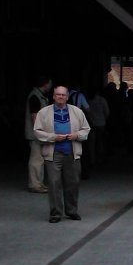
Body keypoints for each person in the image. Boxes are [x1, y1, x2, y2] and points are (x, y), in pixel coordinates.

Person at [33, 85, 90, 223]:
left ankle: (71, 211)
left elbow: (86, 129)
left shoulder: (77, 111)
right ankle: (56, 213)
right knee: (54, 183)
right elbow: (37, 131)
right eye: (58, 94)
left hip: (72, 152)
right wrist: (52, 137)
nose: (60, 97)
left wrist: (76, 135)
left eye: (63, 95)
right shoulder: (43, 112)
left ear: (67, 97)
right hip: (53, 153)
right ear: (53, 96)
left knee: (73, 182)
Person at [25, 76, 52, 192]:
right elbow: (34, 116)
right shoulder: (35, 97)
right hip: (36, 134)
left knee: (40, 159)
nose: (51, 86)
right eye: (50, 84)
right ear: (45, 84)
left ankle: (39, 183)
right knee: (36, 159)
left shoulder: (40, 96)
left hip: (39, 133)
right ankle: (34, 184)